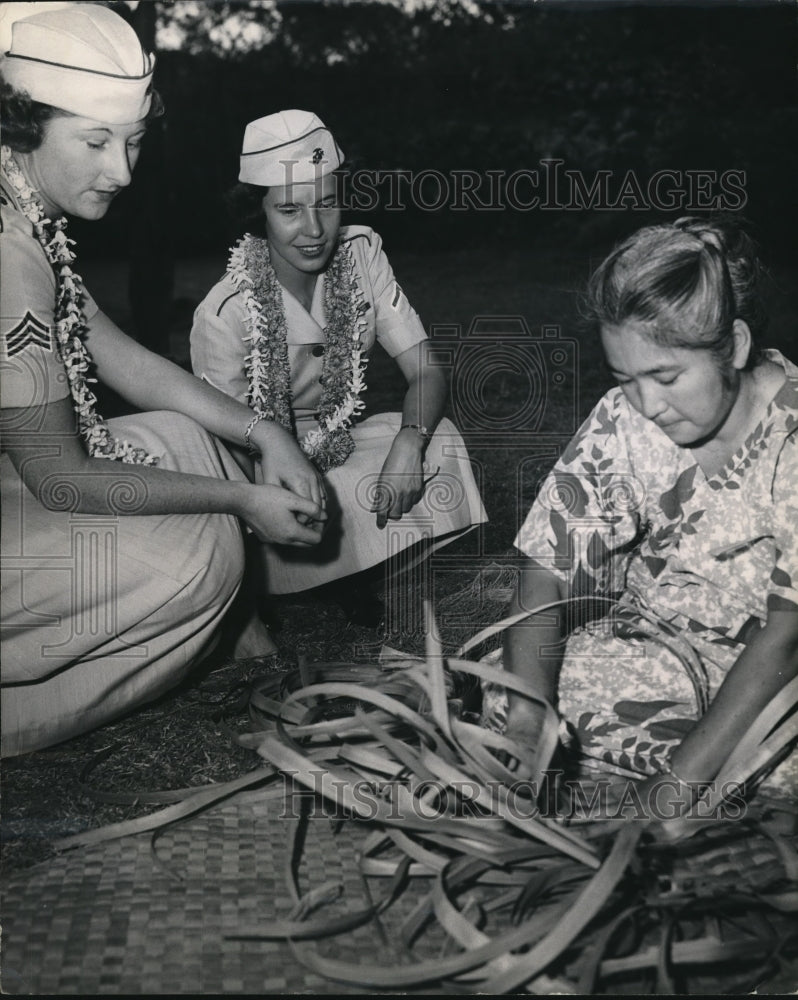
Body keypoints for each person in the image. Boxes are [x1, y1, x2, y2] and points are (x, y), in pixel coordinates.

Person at [0, 5, 326, 757]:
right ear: (23, 126)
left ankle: (234, 638)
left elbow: (121, 360)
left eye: (135, 140)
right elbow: (61, 480)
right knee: (201, 561)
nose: (122, 169)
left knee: (183, 435)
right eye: (95, 141)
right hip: (34, 483)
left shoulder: (25, 211)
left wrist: (263, 430)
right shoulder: (9, 250)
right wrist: (241, 498)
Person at [484, 217, 797, 817]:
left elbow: (785, 641)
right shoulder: (625, 420)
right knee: (507, 693)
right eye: (625, 379)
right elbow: (547, 568)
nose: (647, 405)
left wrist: (676, 788)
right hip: (659, 654)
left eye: (666, 376)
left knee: (762, 767)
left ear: (733, 345)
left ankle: (675, 780)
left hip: (770, 683)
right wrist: (529, 719)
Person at [190, 110, 487, 624]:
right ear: (256, 211)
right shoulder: (224, 311)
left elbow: (426, 371)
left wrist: (408, 445)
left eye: (326, 203)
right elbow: (223, 451)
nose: (313, 230)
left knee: (438, 441)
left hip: (340, 440)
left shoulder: (363, 254)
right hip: (263, 464)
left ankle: (351, 570)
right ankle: (278, 582)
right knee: (297, 502)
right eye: (289, 209)